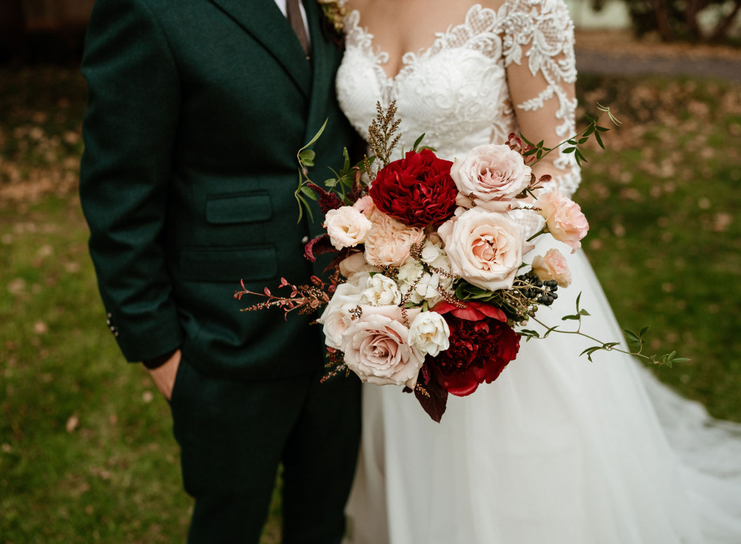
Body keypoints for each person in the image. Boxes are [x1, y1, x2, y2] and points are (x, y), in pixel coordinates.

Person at [335, 0, 741, 542]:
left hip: (499, 275)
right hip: (390, 286)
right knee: (420, 461)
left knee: (520, 467)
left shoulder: (522, 5)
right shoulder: (344, 5)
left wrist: (474, 261)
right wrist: (381, 249)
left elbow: (553, 158)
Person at [79, 0, 361, 542]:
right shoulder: (146, 11)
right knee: (228, 523)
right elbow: (120, 197)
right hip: (228, 336)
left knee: (324, 519)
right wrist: (158, 350)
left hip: (346, 332)